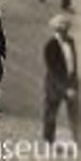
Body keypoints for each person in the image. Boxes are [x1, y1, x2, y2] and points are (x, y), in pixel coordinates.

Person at [43, 13, 78, 145]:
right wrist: (66, 89)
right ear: (56, 29)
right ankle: (48, 141)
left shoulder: (71, 41)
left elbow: (73, 65)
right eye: (62, 28)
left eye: (67, 27)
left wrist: (74, 84)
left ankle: (77, 139)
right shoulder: (50, 46)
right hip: (55, 85)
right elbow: (54, 72)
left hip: (71, 83)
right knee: (51, 114)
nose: (65, 30)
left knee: (75, 114)